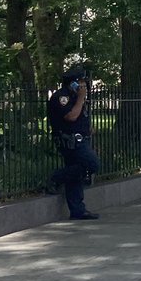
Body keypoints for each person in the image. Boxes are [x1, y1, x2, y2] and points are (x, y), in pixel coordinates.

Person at [46, 65, 100, 220]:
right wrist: (81, 98)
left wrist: (87, 129)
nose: (85, 86)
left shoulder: (76, 98)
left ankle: (77, 209)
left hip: (80, 139)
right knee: (92, 164)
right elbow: (71, 116)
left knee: (76, 174)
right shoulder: (62, 97)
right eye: (82, 82)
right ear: (74, 83)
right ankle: (56, 177)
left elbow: (79, 117)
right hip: (69, 141)